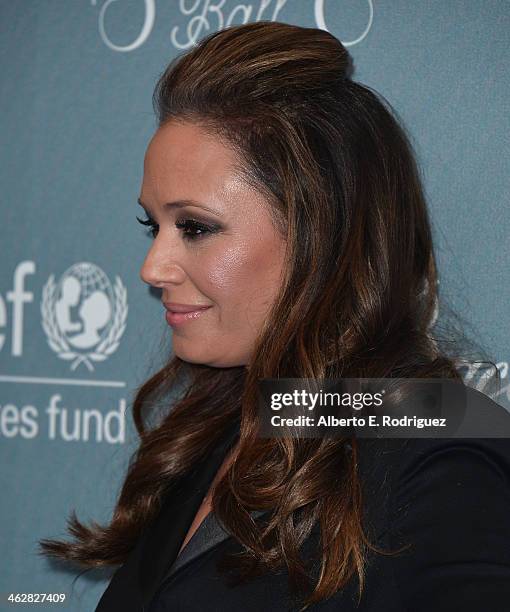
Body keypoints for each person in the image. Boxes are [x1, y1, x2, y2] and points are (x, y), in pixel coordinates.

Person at [39, 21, 510, 611]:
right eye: (152, 225)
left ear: (323, 234)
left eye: (196, 227)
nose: (153, 268)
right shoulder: (240, 418)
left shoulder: (444, 443)